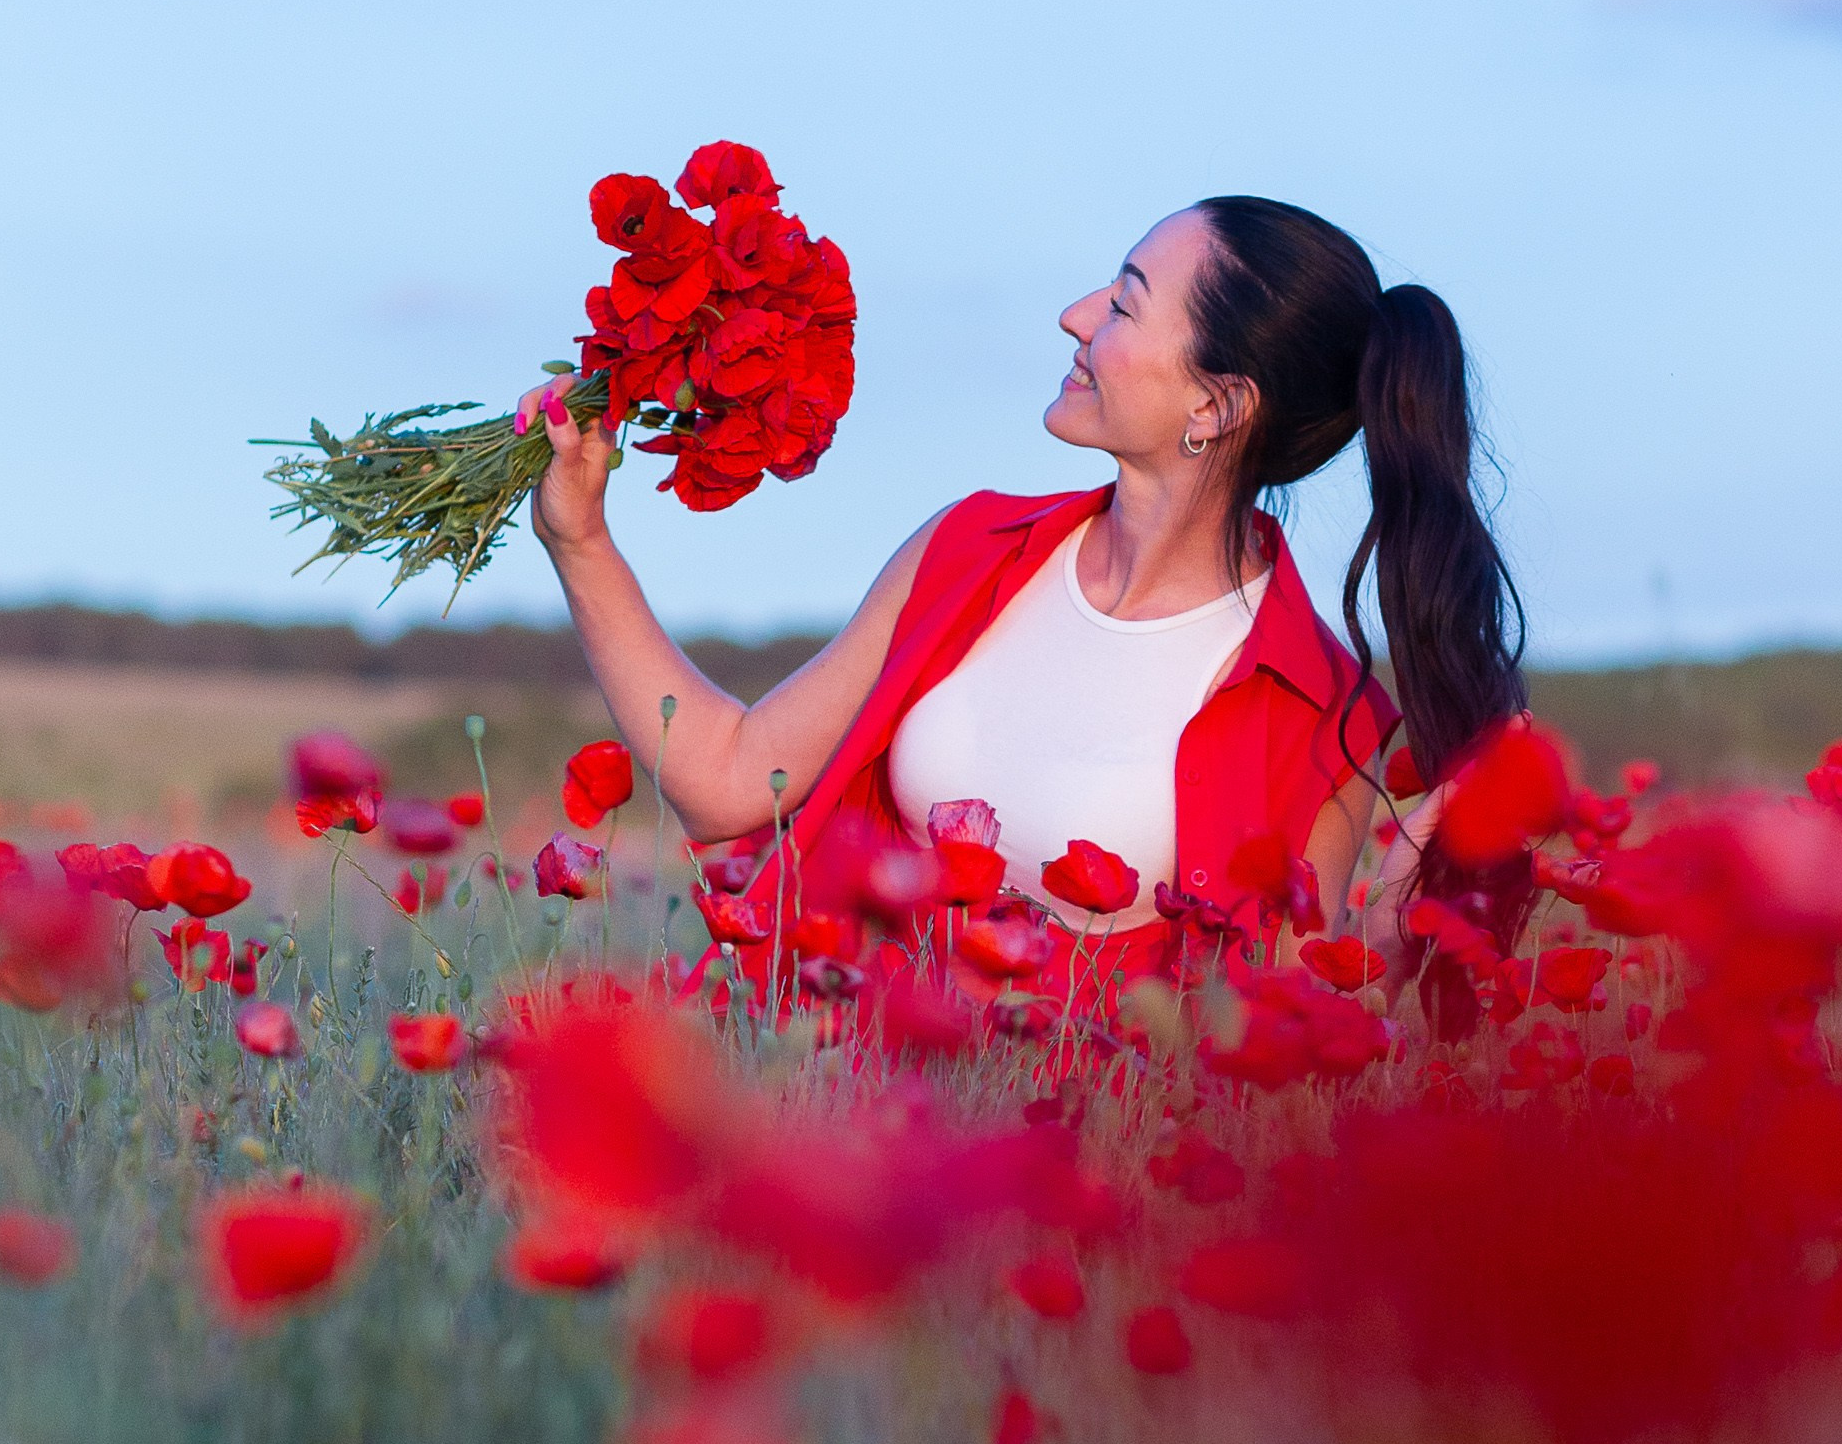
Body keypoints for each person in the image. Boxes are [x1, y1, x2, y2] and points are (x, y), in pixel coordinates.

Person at [516, 196, 1524, 976]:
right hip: (839, 1161)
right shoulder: (971, 549)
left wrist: (1385, 949)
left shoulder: (1320, 710)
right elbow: (729, 780)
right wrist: (582, 540)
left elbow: (1271, 1043)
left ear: (1215, 403)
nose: (1075, 315)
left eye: (1124, 301)